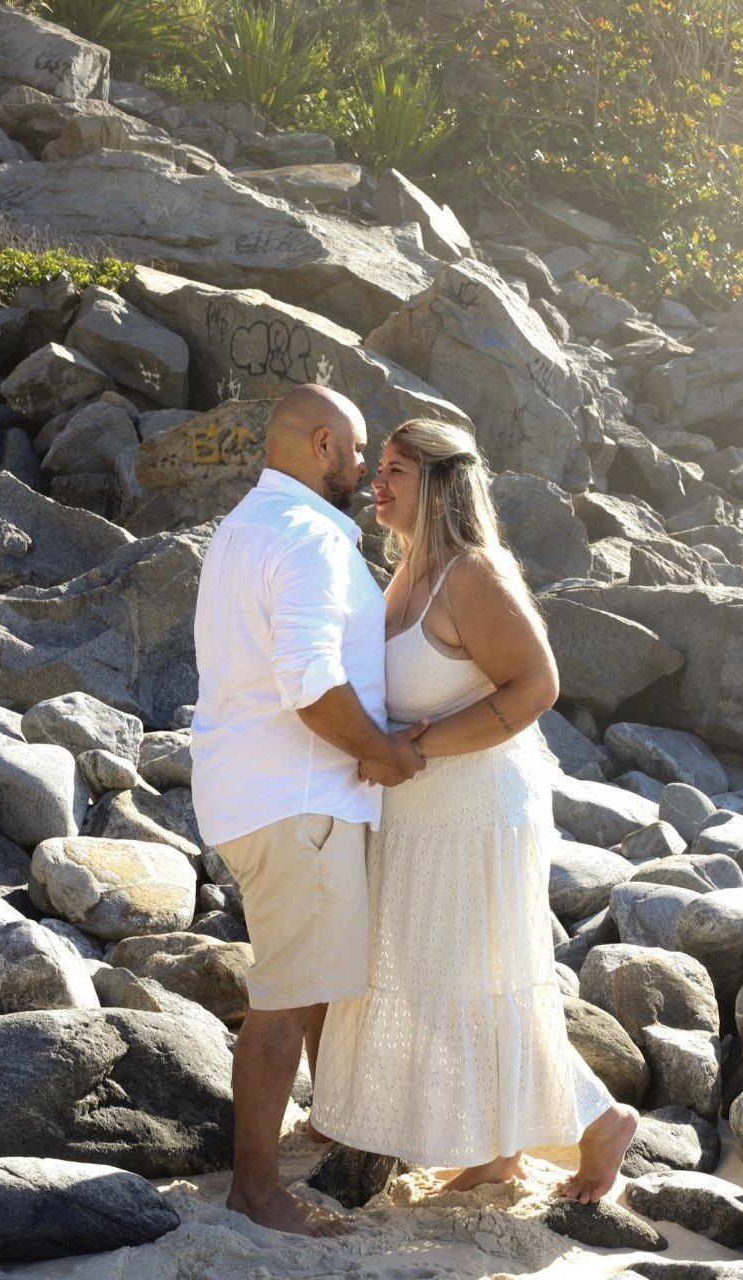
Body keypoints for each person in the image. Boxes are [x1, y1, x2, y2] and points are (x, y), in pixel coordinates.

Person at [311, 418, 637, 1202]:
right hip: (416, 808)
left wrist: (416, 749)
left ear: (440, 483)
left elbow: (536, 685)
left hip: (476, 808)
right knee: (428, 973)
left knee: (473, 977)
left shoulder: (470, 573)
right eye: (378, 467)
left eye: (395, 469)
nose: (376, 481)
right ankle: (510, 1144)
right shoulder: (404, 573)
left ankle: (589, 1124)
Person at [190, 385, 427, 1238]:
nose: (363, 470)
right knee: (288, 996)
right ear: (322, 444)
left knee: (312, 980)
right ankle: (256, 1191)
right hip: (300, 801)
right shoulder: (309, 536)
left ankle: (330, 1123)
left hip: (255, 791)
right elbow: (308, 677)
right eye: (357, 452)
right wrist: (381, 752)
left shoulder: (244, 526)